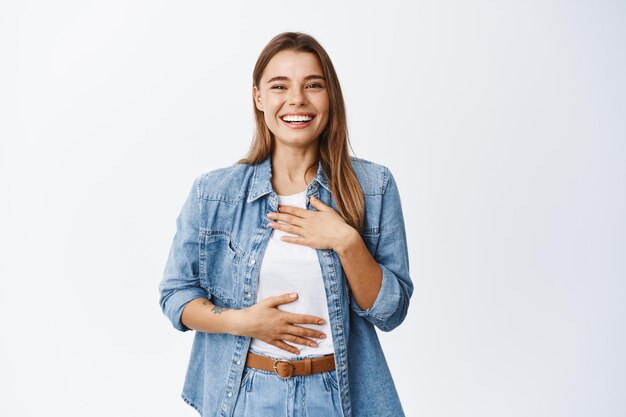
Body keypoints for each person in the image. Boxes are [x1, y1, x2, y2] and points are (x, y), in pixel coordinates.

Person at [159, 31, 413, 417]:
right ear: (259, 97)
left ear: (331, 97)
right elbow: (175, 295)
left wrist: (347, 242)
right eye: (280, 86)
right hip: (246, 394)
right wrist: (242, 322)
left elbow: (390, 312)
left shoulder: (373, 188)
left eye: (313, 85)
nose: (297, 99)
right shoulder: (213, 193)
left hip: (338, 396)